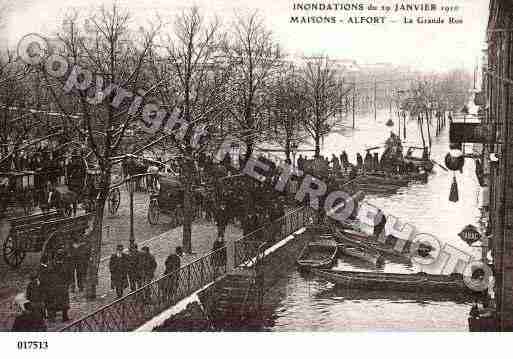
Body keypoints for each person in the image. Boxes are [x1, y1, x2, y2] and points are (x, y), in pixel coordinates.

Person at [45, 250, 71, 322]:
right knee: (62, 302)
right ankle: (63, 316)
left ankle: (56, 317)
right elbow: (68, 275)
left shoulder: (51, 264)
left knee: (55, 302)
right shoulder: (64, 265)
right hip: (59, 286)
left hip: (55, 286)